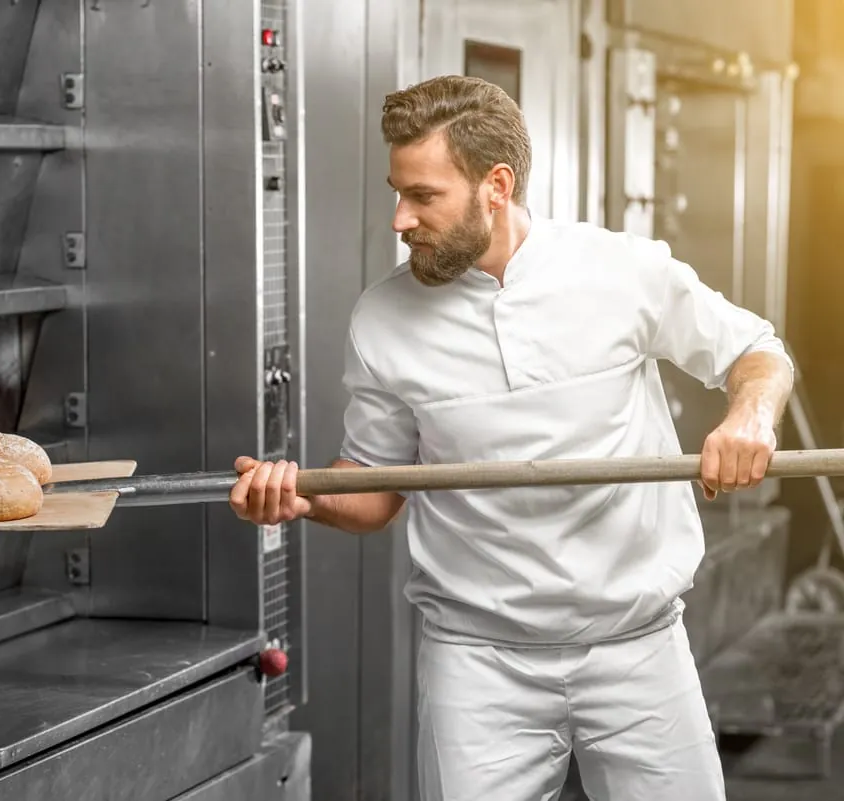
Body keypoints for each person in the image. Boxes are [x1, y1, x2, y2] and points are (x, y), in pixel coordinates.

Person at [229, 75, 794, 801]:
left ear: (496, 185)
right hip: (480, 662)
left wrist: (750, 416)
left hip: (638, 643)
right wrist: (302, 498)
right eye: (397, 191)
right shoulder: (382, 318)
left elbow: (756, 352)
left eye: (424, 196)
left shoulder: (622, 270)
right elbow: (374, 492)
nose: (400, 219)